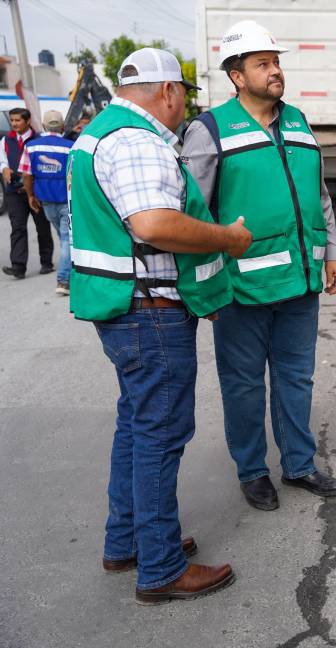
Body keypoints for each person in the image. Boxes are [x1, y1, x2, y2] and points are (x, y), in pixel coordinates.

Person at [69, 48, 251, 604]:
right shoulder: (138, 140)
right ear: (168, 92)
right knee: (159, 437)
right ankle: (162, 567)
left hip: (124, 309)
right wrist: (227, 237)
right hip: (150, 312)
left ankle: (128, 543)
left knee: (136, 427)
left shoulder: (99, 133)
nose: (184, 109)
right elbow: (153, 223)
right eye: (185, 97)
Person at [182, 20, 336, 512]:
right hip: (241, 291)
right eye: (263, 64)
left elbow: (318, 194)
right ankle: (252, 471)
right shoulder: (208, 131)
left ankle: (298, 465)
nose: (275, 71)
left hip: (300, 283)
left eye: (276, 62)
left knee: (297, 378)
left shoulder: (298, 120)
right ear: (237, 76)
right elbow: (193, 215)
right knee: (243, 385)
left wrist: (333, 251)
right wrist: (204, 291)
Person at [22, 110, 74, 295]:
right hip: (66, 200)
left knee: (65, 239)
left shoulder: (32, 146)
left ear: (43, 126)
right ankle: (65, 280)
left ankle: (65, 277)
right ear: (62, 126)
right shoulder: (71, 146)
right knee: (67, 239)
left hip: (46, 200)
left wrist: (30, 196)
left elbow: (27, 175)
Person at [2, 107, 54, 279]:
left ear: (28, 121)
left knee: (42, 227)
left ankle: (46, 262)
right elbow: (2, 159)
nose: (14, 123)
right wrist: (4, 169)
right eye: (12, 120)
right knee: (17, 228)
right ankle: (18, 266)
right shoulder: (5, 140)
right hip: (14, 192)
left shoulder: (39, 139)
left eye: (18, 120)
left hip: (35, 190)